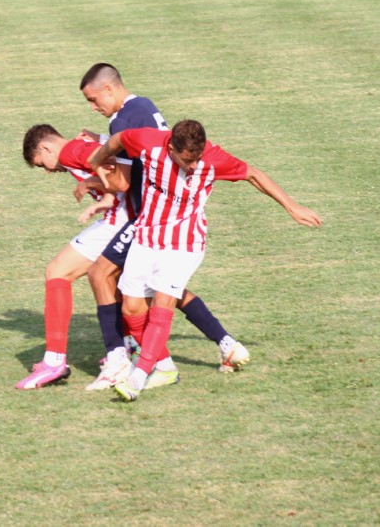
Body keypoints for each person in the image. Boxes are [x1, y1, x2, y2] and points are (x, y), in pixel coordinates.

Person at [86, 119, 321, 401]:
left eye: (197, 159)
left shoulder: (212, 158)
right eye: (187, 161)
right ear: (171, 149)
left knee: (163, 303)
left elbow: (254, 174)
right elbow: (119, 138)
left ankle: (137, 379)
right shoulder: (148, 142)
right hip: (146, 237)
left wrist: (292, 207)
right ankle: (164, 368)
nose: (194, 166)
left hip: (185, 243)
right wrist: (96, 161)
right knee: (132, 309)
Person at [78, 63, 251, 390]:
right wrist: (102, 142)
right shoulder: (143, 105)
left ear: (109, 89)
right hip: (161, 216)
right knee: (162, 289)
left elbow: (123, 181)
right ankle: (226, 344)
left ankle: (123, 358)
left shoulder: (121, 119)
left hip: (148, 217)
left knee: (101, 274)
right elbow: (136, 147)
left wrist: (93, 176)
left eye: (93, 99)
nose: (93, 107)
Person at [16, 124, 132, 390]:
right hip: (129, 217)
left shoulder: (71, 152)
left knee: (58, 271)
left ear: (46, 147)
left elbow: (117, 165)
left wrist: (103, 193)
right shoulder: (76, 151)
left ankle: (55, 361)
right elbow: (116, 155)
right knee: (128, 284)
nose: (47, 171)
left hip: (121, 219)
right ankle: (128, 350)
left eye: (41, 163)